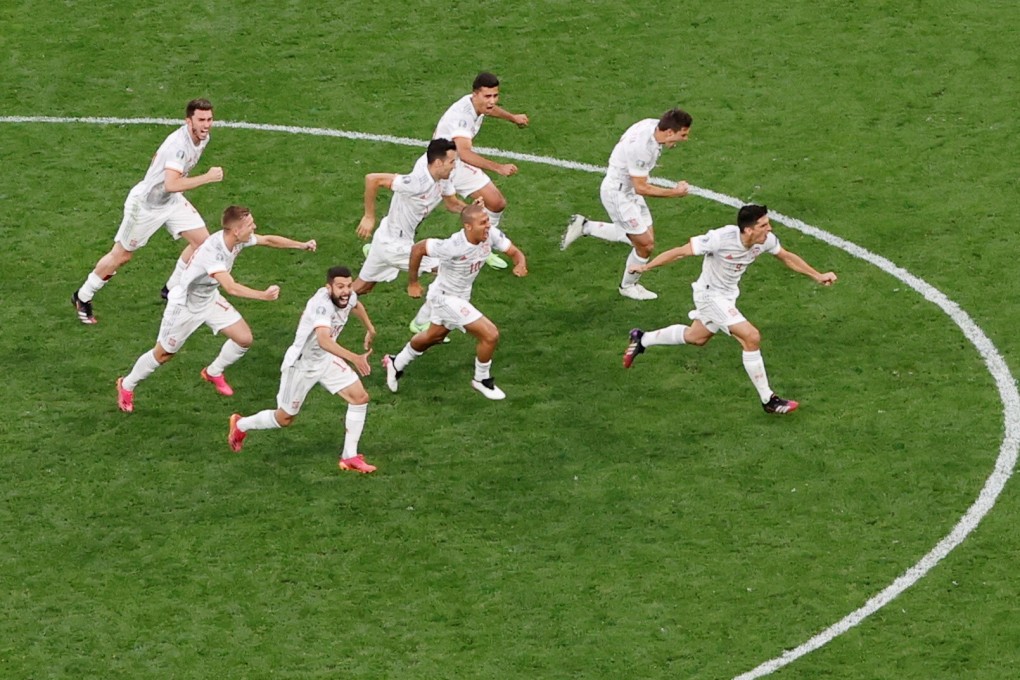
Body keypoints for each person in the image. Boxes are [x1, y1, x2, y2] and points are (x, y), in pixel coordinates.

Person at [621, 204, 838, 414]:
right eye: (763, 225)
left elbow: (786, 257)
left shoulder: (765, 241)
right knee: (751, 337)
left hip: (727, 296)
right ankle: (768, 400)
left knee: (697, 337)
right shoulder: (720, 239)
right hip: (709, 295)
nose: (769, 229)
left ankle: (642, 339)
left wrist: (817, 275)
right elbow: (681, 252)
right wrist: (646, 267)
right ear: (748, 229)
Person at [116, 205, 316, 412]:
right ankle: (127, 384)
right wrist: (262, 295)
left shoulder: (238, 239)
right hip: (185, 307)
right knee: (164, 354)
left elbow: (268, 240)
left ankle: (213, 372)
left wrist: (301, 245)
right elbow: (231, 287)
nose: (254, 227)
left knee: (244, 339)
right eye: (250, 224)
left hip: (209, 299)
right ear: (236, 230)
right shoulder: (214, 253)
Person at [72, 98, 224, 324]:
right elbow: (171, 183)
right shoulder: (178, 147)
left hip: (170, 201)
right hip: (146, 206)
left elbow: (171, 187)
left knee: (203, 243)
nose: (206, 124)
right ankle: (83, 296)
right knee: (122, 255)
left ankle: (172, 289)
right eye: (201, 119)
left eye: (209, 119)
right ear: (188, 120)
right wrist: (208, 178)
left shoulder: (202, 137)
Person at [228, 266, 379, 474]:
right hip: (301, 365)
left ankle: (349, 456)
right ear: (329, 288)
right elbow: (324, 340)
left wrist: (370, 328)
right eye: (340, 287)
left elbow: (355, 304)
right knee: (285, 418)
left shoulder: (347, 296)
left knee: (359, 397)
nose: (346, 291)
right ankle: (241, 424)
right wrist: (354, 358)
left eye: (348, 286)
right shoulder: (322, 306)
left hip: (325, 360)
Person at [382, 204, 527, 400]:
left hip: (461, 297)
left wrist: (520, 264)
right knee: (490, 334)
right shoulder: (454, 246)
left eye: (487, 221)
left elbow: (514, 252)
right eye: (483, 223)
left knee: (433, 336)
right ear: (468, 226)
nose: (488, 226)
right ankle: (481, 379)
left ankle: (395, 362)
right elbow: (418, 248)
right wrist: (413, 283)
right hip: (444, 298)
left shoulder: (490, 234)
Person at [560, 108, 693, 301]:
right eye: (683, 134)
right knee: (645, 246)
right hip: (618, 194)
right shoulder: (642, 149)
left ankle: (585, 226)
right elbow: (642, 188)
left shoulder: (652, 125)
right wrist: (675, 193)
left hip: (626, 189)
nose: (685, 138)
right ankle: (628, 286)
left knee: (645, 239)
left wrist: (670, 141)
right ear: (670, 131)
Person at [352, 138, 472, 333]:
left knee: (362, 288)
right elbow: (372, 179)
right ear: (438, 163)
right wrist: (368, 216)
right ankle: (423, 321)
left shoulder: (443, 177)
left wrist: (472, 210)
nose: (455, 166)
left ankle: (321, 305)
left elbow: (452, 204)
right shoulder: (417, 182)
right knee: (449, 268)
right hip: (394, 246)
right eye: (452, 162)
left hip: (388, 239)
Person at [432, 71, 529, 271]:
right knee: (418, 209)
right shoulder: (462, 118)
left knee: (496, 202)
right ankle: (386, 246)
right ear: (475, 94)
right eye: (487, 96)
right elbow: (465, 153)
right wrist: (498, 167)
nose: (492, 101)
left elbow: (489, 110)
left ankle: (482, 245)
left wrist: (512, 117)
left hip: (454, 161)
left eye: (495, 95)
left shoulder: (476, 104)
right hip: (442, 165)